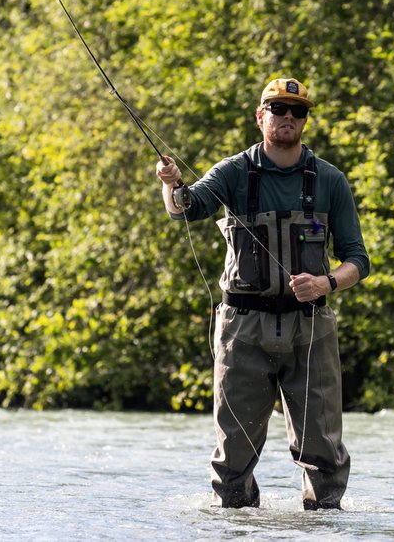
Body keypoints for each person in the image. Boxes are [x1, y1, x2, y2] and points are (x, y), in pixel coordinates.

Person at [155, 77, 370, 510]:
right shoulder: (234, 171)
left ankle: (323, 529)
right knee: (233, 459)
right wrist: (169, 182)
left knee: (324, 455)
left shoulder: (330, 180)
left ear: (306, 121)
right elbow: (186, 207)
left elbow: (357, 261)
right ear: (261, 116)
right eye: (278, 109)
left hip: (311, 330)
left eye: (298, 110)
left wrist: (326, 282)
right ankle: (239, 528)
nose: (288, 117)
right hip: (242, 328)